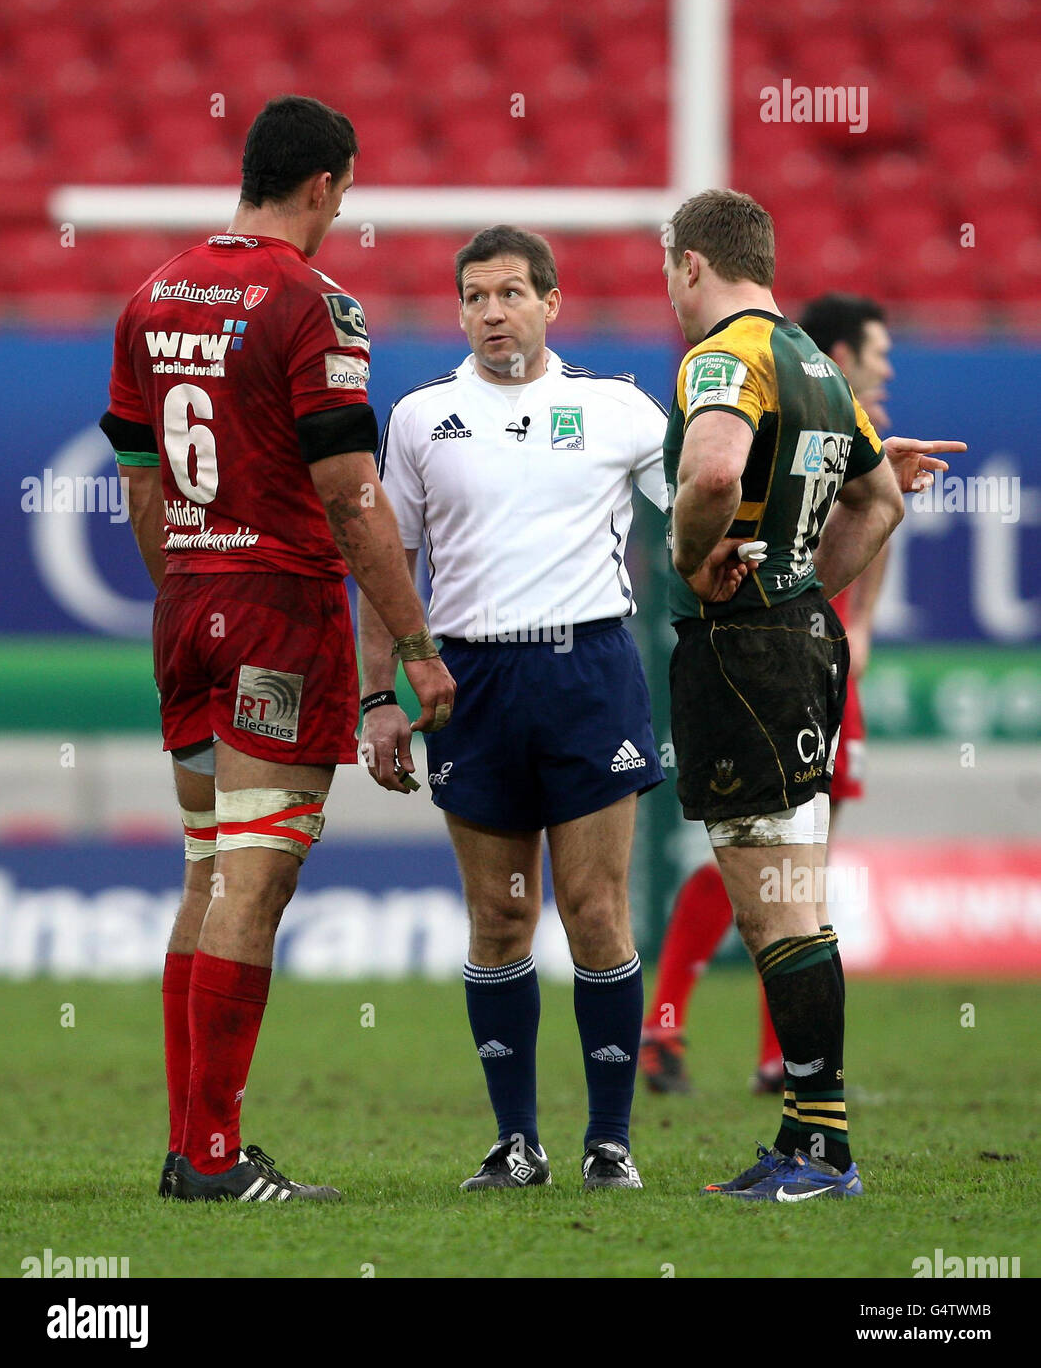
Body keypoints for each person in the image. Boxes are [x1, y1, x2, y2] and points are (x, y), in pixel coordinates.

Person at [100, 95, 454, 1203]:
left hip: (188, 604)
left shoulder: (151, 295)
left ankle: (186, 1144)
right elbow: (353, 498)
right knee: (259, 879)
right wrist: (415, 644)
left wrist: (188, 594)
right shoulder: (314, 303)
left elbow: (141, 482)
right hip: (277, 613)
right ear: (326, 186)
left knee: (208, 871)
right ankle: (212, 1158)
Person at [661, 189, 959, 1200]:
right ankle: (809, 1135)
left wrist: (690, 556)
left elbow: (708, 478)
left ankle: (822, 1149)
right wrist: (804, 584)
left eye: (670, 266)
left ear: (692, 263)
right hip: (801, 647)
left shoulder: (724, 356)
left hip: (743, 657)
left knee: (775, 901)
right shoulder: (818, 364)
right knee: (789, 899)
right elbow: (881, 496)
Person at [358, 225, 670, 1190]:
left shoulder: (617, 409)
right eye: (476, 297)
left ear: (551, 303)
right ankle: (516, 1141)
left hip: (589, 673)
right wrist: (379, 697)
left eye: (510, 294)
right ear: (459, 312)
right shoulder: (418, 419)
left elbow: (707, 504)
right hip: (472, 684)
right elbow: (382, 569)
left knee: (595, 910)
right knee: (500, 922)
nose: (493, 312)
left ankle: (609, 1142)